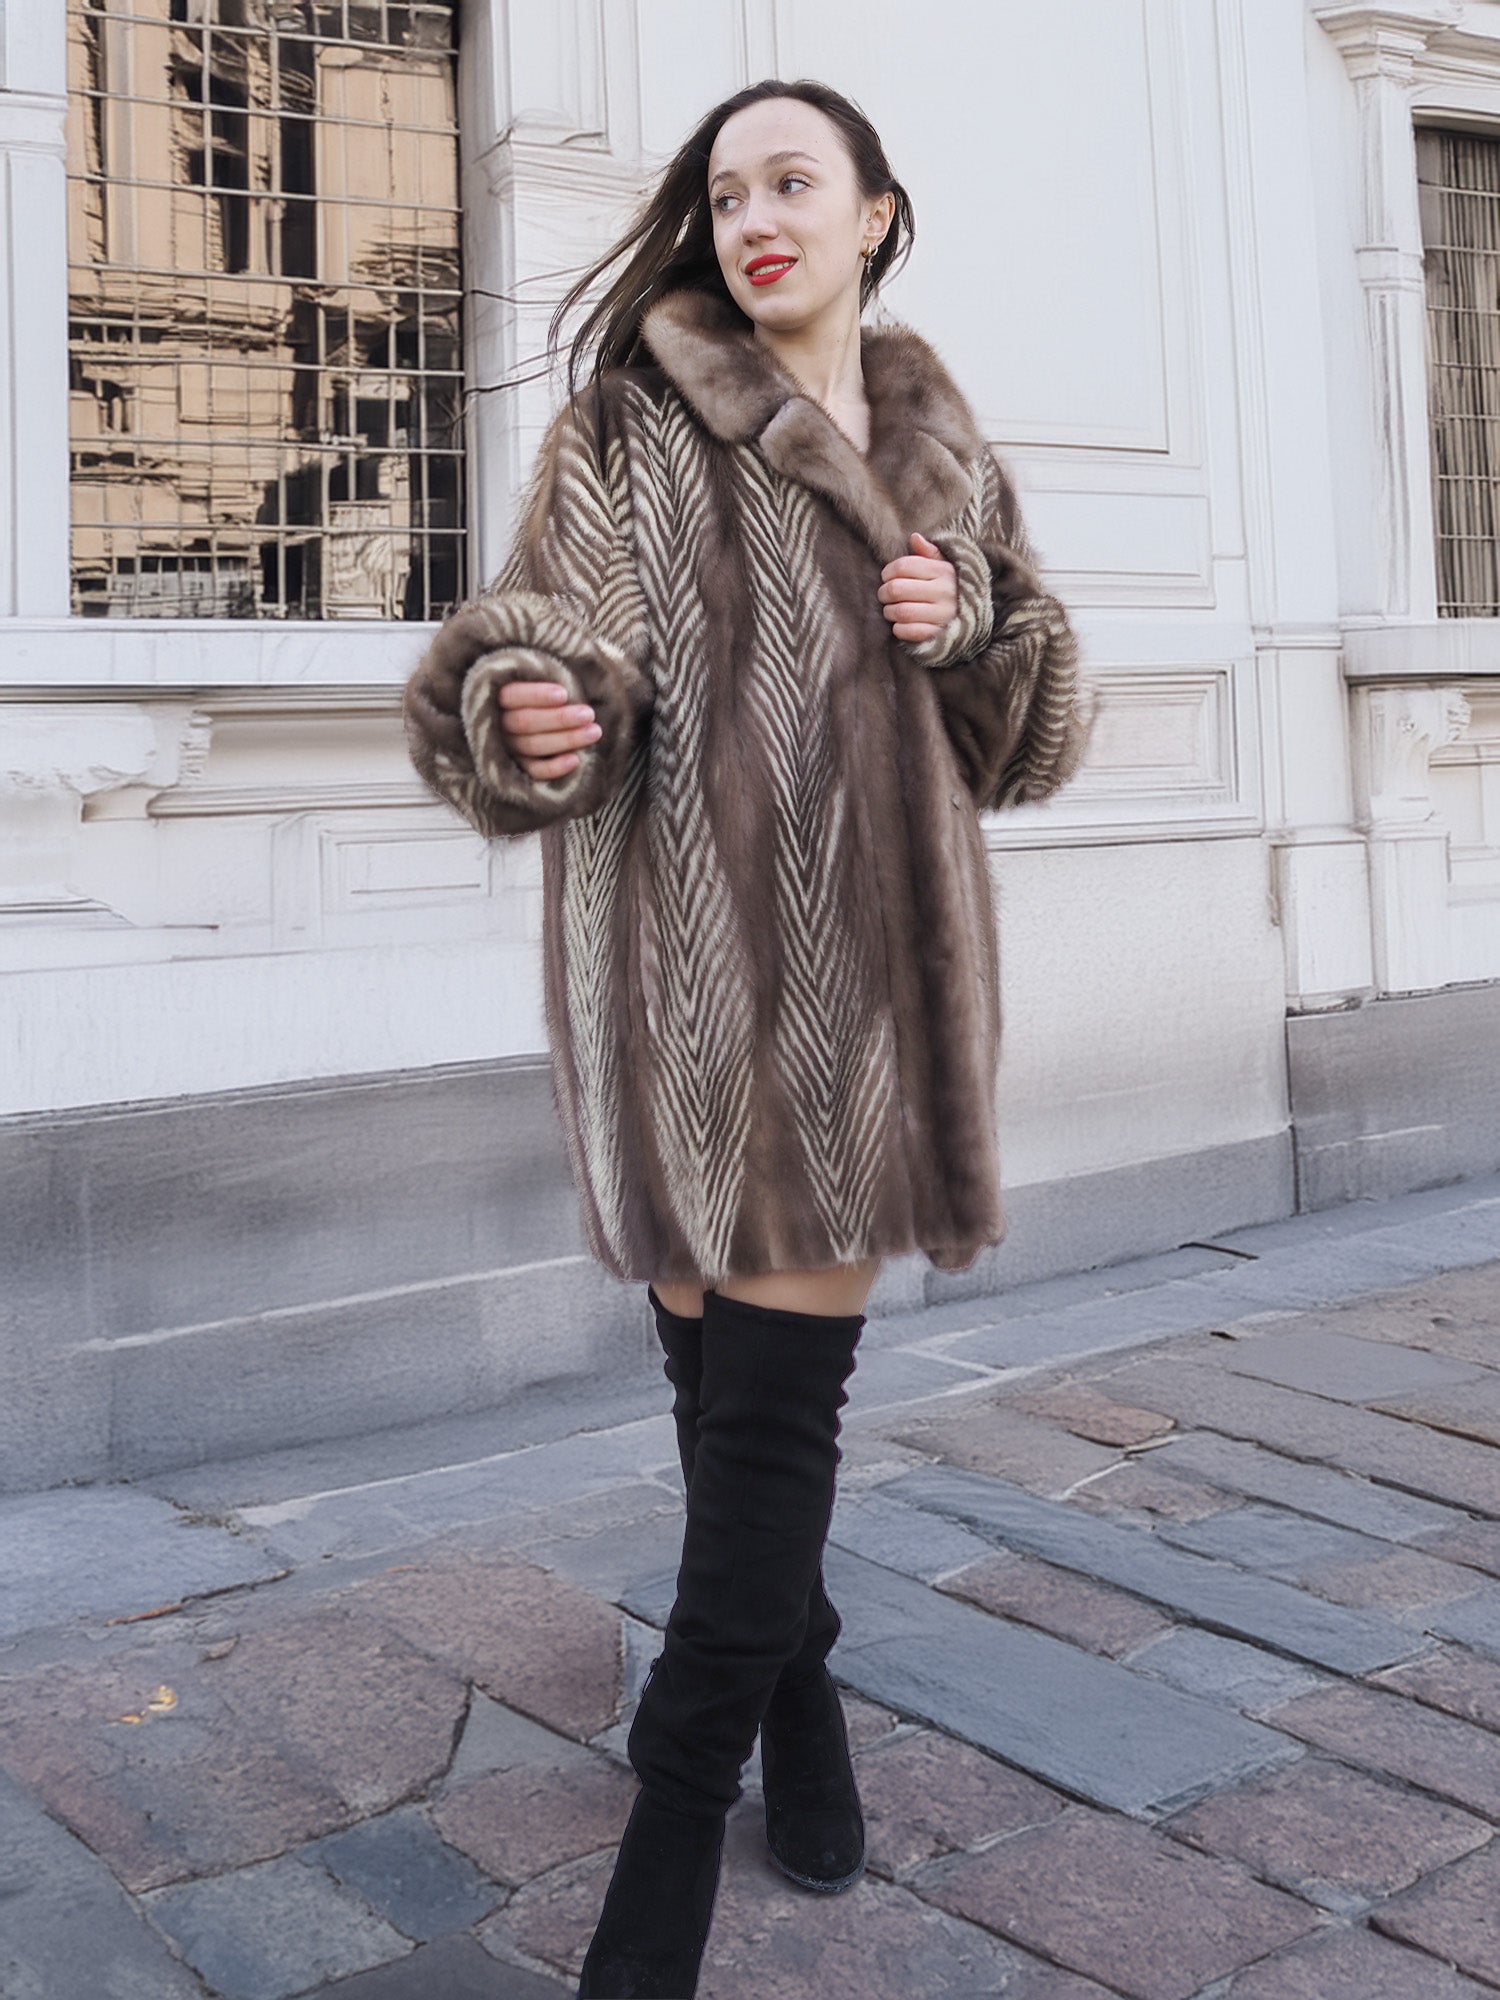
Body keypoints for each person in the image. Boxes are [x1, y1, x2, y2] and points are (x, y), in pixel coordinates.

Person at [402, 75, 1094, 2000]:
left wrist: (975, 632)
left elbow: (1024, 748)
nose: (752, 216)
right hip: (681, 995)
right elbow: (550, 628)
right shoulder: (630, 425)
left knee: (778, 1437)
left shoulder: (945, 454)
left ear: (877, 211)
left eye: (794, 181)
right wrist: (536, 708)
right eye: (723, 193)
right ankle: (807, 1708)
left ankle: (666, 1851)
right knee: (727, 1439)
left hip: (871, 1002)